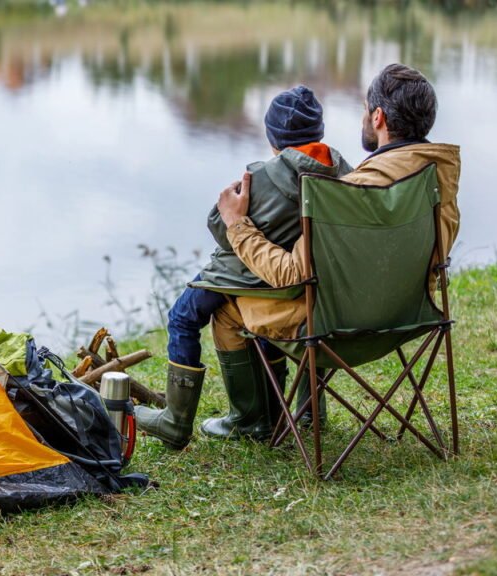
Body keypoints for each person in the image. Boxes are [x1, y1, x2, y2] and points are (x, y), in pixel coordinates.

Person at [210, 63, 461, 425]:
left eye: (363, 109)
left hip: (335, 330)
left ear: (377, 117)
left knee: (228, 309)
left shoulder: (354, 192)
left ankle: (249, 421)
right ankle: (308, 411)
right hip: (411, 317)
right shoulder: (439, 180)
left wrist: (237, 225)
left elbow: (290, 274)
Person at [136, 86, 353, 450]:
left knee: (183, 316)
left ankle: (180, 420)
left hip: (266, 274)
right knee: (238, 309)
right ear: (319, 132)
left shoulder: (263, 177)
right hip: (316, 285)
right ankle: (292, 411)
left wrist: (232, 211)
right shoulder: (343, 173)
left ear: (272, 137)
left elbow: (220, 227)